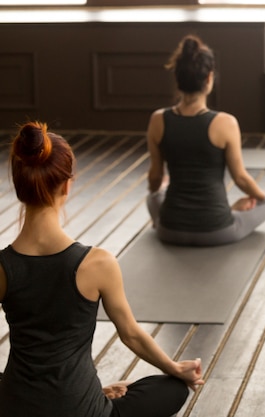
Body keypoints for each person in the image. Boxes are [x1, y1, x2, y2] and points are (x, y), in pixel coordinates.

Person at [0, 121, 204, 417]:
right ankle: (96, 394)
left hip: (15, 408)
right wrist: (175, 369)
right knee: (171, 388)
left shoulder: (3, 267)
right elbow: (131, 334)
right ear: (67, 184)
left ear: (19, 186)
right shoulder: (97, 263)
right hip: (81, 410)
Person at [147, 34, 265, 246]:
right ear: (209, 78)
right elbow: (241, 179)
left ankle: (227, 210)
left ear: (177, 78)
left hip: (169, 230)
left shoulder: (158, 120)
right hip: (217, 231)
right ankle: (232, 211)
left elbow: (154, 178)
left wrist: (161, 188)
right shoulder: (225, 123)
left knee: (153, 198)